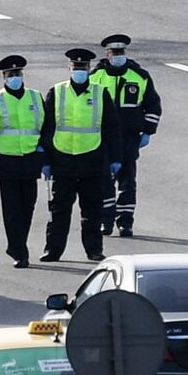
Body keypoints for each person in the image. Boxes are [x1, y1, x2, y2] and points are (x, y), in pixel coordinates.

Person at [40, 48, 121, 263]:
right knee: (59, 211)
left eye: (83, 67)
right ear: (69, 68)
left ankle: (94, 250)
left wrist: (115, 159)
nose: (79, 70)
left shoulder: (100, 92)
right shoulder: (56, 92)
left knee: (92, 211)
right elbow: (47, 129)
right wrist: (45, 161)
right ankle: (53, 250)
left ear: (89, 68)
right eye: (76, 67)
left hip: (91, 160)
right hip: (62, 160)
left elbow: (112, 128)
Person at [90, 34, 161, 238]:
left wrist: (147, 131)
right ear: (107, 54)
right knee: (103, 181)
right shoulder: (96, 77)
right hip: (102, 139)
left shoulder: (139, 76)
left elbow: (153, 105)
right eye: (114, 53)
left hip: (128, 138)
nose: (118, 56)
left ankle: (125, 222)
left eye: (121, 52)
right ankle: (106, 220)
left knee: (127, 182)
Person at [0, 54, 44, 268]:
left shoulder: (35, 98)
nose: (14, 77)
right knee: (13, 210)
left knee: (28, 208)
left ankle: (18, 244)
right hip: (7, 163)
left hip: (31, 161)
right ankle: (18, 251)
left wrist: (46, 156)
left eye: (17, 73)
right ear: (4, 78)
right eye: (10, 74)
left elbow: (47, 127)